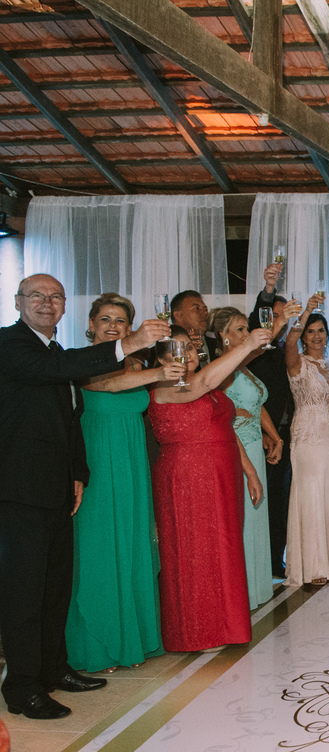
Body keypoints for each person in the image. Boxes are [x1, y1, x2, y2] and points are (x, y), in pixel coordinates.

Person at [0, 275, 169, 719]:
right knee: (24, 593)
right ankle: (22, 688)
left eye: (55, 296)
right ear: (18, 302)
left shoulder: (55, 351)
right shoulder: (10, 344)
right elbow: (57, 372)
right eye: (37, 296)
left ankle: (55, 668)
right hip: (18, 489)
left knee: (54, 587)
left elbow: (69, 419)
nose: (47, 302)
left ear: (63, 306)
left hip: (56, 486)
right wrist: (130, 342)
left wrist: (78, 472)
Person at [65, 295, 183, 675]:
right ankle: (96, 646)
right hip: (98, 463)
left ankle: (134, 638)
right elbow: (109, 385)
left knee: (133, 545)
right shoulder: (82, 360)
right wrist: (158, 373)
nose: (113, 325)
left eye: (120, 320)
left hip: (133, 463)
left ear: (129, 327)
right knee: (100, 546)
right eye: (105, 319)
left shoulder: (137, 364)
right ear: (91, 324)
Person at [149, 321, 274, 653]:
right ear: (160, 358)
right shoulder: (166, 387)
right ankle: (198, 631)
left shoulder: (208, 386)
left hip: (222, 474)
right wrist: (246, 345)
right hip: (187, 477)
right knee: (197, 551)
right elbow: (201, 382)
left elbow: (226, 429)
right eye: (176, 349)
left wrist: (250, 471)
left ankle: (226, 626)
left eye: (189, 347)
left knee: (224, 548)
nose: (186, 354)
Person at [210, 306, 285, 608]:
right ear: (223, 336)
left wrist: (275, 436)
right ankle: (241, 593)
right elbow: (218, 409)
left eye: (246, 328)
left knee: (256, 518)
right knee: (243, 519)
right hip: (236, 449)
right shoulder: (222, 367)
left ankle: (257, 588)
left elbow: (256, 406)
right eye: (240, 329)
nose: (246, 333)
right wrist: (281, 322)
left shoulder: (244, 368)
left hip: (255, 444)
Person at [284, 298, 329, 587]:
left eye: (320, 330)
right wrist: (307, 311)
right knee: (310, 496)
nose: (316, 336)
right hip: (308, 437)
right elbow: (289, 341)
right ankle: (312, 566)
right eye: (310, 331)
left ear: (327, 334)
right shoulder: (297, 362)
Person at [250, 263, 296, 577]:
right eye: (273, 316)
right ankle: (262, 560)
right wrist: (269, 289)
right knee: (264, 500)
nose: (277, 321)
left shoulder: (285, 350)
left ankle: (277, 558)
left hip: (288, 434)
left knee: (283, 500)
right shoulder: (257, 352)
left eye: (282, 317)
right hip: (263, 434)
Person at [170, 290, 218, 360]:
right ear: (178, 316)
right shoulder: (164, 350)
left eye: (205, 309)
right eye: (196, 308)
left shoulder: (218, 345)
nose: (205, 313)